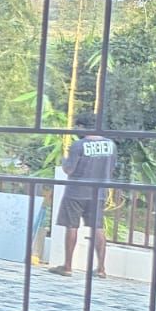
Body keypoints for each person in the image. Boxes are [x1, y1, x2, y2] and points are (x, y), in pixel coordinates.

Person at [49, 112, 116, 278]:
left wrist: (64, 160)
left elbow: (69, 169)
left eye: (78, 126)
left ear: (83, 126)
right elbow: (112, 168)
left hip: (76, 192)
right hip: (98, 192)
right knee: (97, 228)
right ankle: (101, 268)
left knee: (72, 226)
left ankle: (68, 266)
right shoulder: (110, 145)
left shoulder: (79, 145)